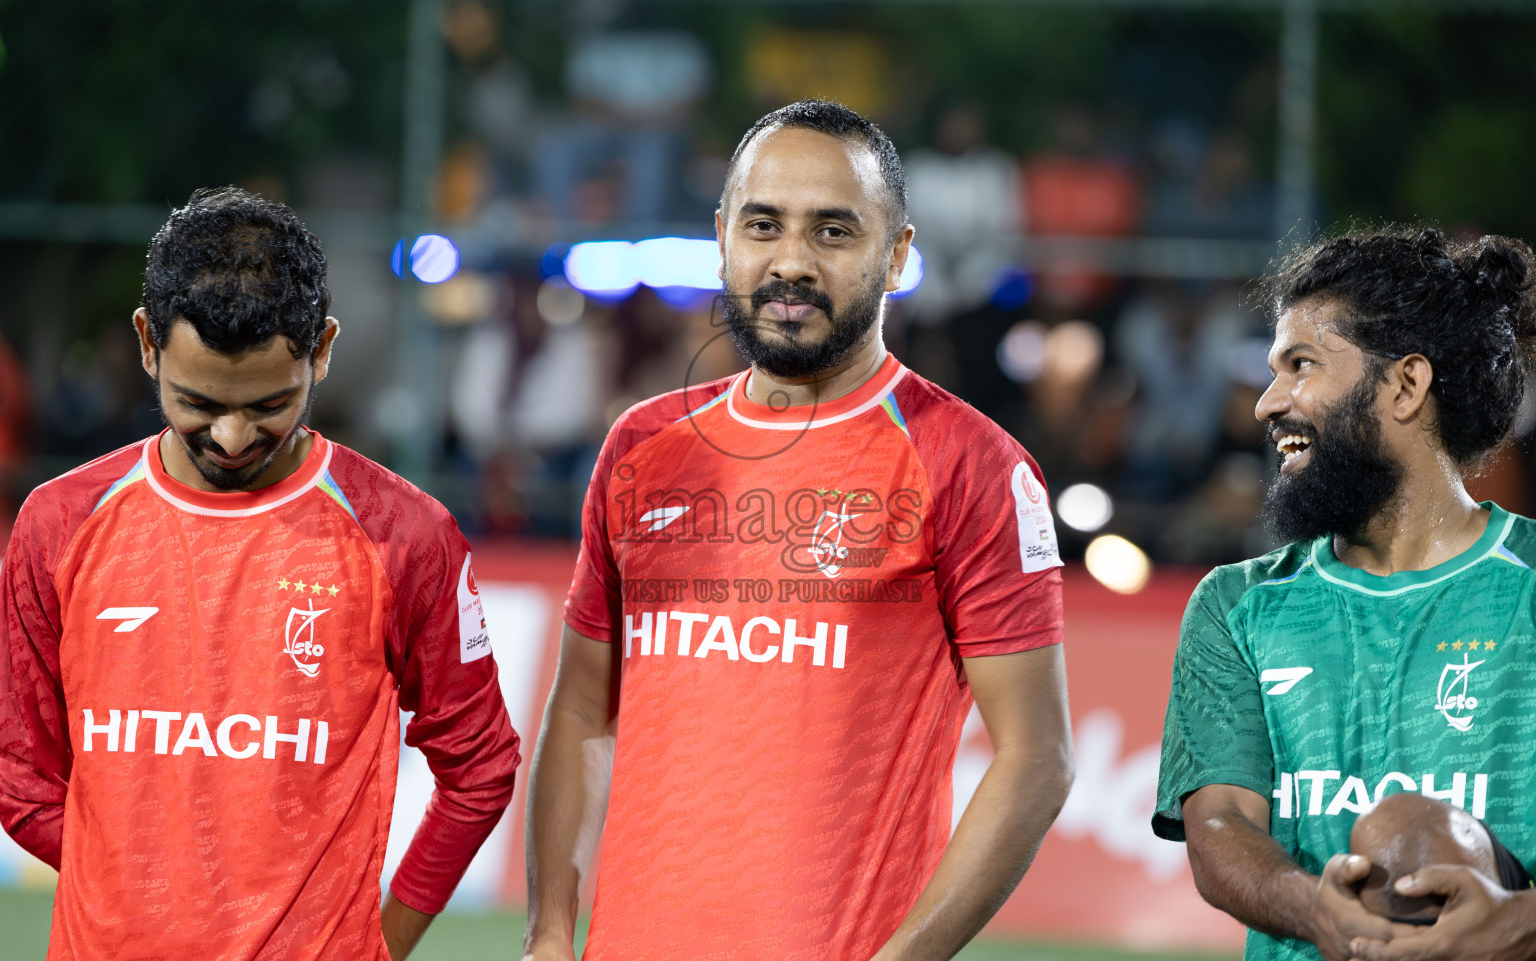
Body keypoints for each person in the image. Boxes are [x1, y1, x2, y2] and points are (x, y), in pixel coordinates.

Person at [523, 99, 1074, 961]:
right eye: (764, 225)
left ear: (895, 257)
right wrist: (551, 930)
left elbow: (1037, 759)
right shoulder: (641, 447)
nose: (791, 262)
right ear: (722, 239)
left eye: (833, 233)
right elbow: (585, 710)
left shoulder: (971, 464)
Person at [0, 188, 521, 960]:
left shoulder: (405, 536)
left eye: (271, 404)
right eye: (198, 403)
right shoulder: (58, 524)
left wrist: (382, 939)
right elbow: (20, 776)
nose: (235, 436)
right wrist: (136, 894)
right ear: (148, 343)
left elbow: (481, 768)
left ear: (323, 350)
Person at [1154, 226, 1536, 961]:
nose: (1268, 403)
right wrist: (1314, 910)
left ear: (1404, 385)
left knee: (1408, 836)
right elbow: (1220, 828)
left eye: (1301, 365)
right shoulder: (1236, 605)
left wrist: (1518, 923)